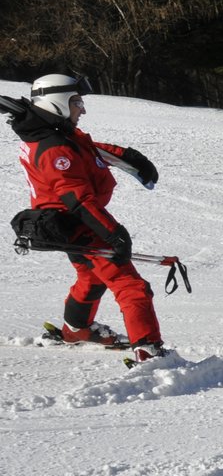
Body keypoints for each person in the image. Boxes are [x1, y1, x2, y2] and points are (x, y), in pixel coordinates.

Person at [8, 74, 166, 359]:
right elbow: (77, 198)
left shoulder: (52, 133)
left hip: (72, 223)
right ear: (57, 103)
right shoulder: (54, 146)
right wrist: (113, 233)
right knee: (131, 286)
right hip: (79, 223)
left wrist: (128, 158)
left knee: (92, 277)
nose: (82, 109)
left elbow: (84, 149)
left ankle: (77, 329)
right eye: (76, 102)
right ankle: (148, 349)